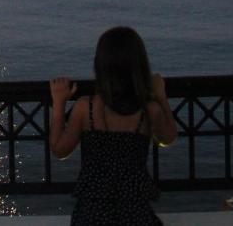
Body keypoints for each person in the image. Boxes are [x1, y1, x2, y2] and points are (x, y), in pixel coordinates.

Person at [49, 26, 177, 225]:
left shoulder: (86, 108)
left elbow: (59, 149)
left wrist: (59, 103)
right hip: (135, 213)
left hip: (91, 214)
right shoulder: (148, 110)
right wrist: (161, 96)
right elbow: (168, 138)